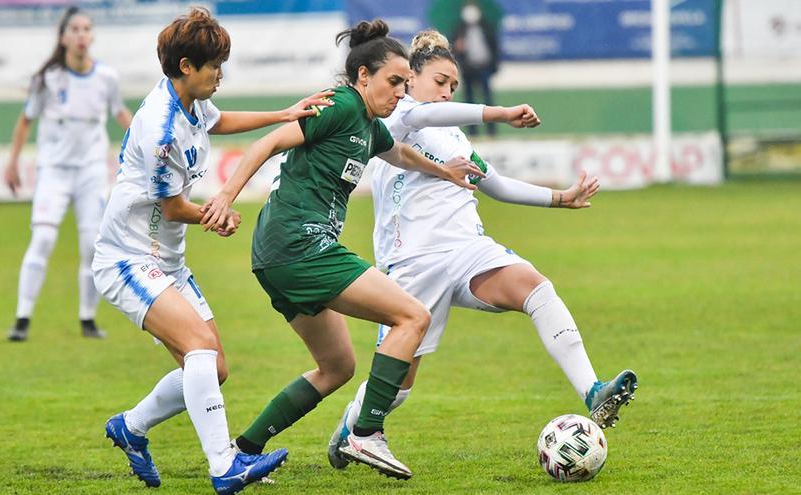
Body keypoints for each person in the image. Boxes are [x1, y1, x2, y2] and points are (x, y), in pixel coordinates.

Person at [326, 30, 639, 471]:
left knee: (537, 288)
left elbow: (497, 184)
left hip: (469, 250)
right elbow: (432, 115)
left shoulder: (451, 134)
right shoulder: (400, 116)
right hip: (413, 263)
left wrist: (560, 198)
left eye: (454, 85)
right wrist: (502, 112)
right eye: (440, 80)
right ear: (409, 78)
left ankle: (593, 391)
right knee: (399, 386)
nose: (448, 90)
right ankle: (353, 428)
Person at [199, 20, 481, 481]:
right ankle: (365, 431)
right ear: (363, 76)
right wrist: (226, 196)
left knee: (337, 367)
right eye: (393, 82)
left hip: (277, 254)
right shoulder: (342, 105)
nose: (399, 93)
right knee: (412, 316)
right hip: (299, 244)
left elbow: (400, 155)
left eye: (405, 85)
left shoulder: (370, 127)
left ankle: (244, 450)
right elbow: (271, 140)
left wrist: (443, 171)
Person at [90, 8, 334, 494]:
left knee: (213, 368)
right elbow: (173, 205)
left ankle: (131, 427)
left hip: (167, 261)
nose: (220, 73)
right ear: (186, 66)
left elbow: (219, 121)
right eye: (214, 65)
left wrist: (285, 114)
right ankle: (224, 464)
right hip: (127, 260)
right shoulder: (159, 130)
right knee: (198, 349)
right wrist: (215, 213)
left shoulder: (190, 103)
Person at [4, 6, 133, 341]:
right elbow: (25, 120)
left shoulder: (106, 77)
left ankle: (87, 319)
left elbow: (121, 113)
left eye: (86, 29)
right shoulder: (47, 78)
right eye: (74, 29)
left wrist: (144, 146)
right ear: (63, 37)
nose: (81, 35)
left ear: (91, 37)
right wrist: (12, 161)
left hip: (91, 171)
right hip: (54, 171)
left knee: (92, 245)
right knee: (44, 237)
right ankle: (22, 318)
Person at [452, 0, 500, 136]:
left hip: (484, 67)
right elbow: (453, 49)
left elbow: (494, 47)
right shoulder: (459, 28)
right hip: (468, 69)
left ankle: (492, 131)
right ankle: (473, 132)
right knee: (469, 101)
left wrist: (494, 66)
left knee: (487, 99)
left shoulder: (486, 26)